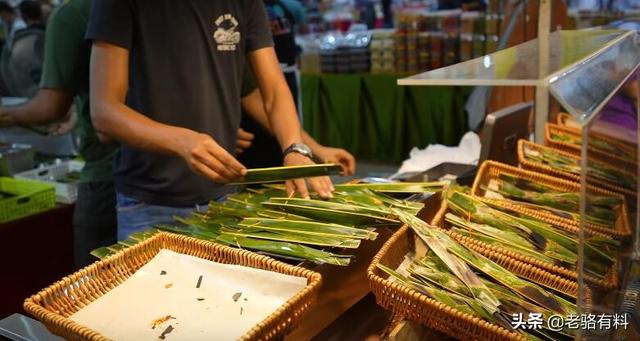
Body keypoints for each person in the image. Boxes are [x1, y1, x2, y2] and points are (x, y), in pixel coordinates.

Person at [86, 0, 338, 240]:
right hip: (149, 205)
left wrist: (295, 148)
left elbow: (273, 90)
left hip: (225, 198)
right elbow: (105, 112)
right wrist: (183, 141)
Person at [0, 0, 117, 268]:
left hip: (106, 175)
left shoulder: (72, 13)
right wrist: (80, 110)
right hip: (153, 172)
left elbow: (50, 107)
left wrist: (6, 116)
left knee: (92, 288)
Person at [239, 0, 304, 169]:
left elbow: (273, 91)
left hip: (285, 79)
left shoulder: (253, 6)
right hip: (246, 132)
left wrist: (297, 148)